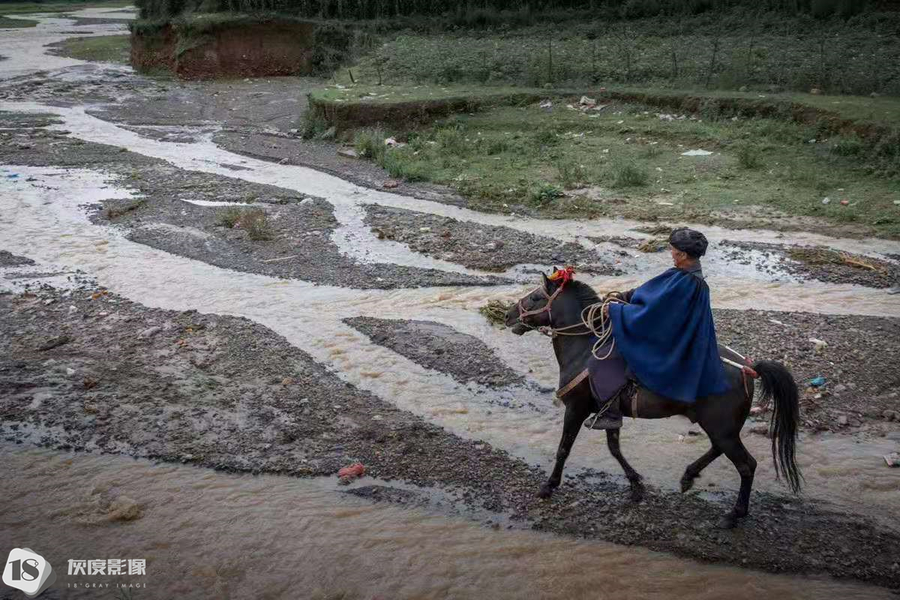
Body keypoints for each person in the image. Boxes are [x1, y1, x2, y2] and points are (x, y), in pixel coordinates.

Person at [585, 228, 732, 430]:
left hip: (668, 340)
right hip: (670, 332)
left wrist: (615, 311)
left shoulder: (685, 284)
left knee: (601, 361)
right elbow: (651, 293)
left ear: (682, 254)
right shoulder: (684, 275)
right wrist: (623, 297)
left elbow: (653, 317)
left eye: (672, 250)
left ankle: (610, 413)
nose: (670, 253)